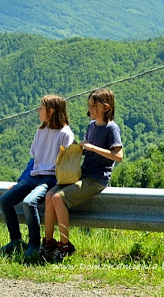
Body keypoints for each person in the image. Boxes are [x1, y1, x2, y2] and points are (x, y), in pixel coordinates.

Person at [42, 88, 123, 262]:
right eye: (90, 105)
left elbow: (118, 156)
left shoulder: (112, 128)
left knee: (57, 198)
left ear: (106, 108)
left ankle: (65, 245)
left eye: (94, 106)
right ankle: (48, 242)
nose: (90, 109)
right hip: (82, 174)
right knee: (49, 196)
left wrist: (92, 147)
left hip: (96, 178)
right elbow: (88, 151)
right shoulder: (91, 126)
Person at [0, 94, 74, 262]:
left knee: (29, 202)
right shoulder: (41, 131)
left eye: (41, 108)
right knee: (4, 200)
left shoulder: (65, 133)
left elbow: (66, 163)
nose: (38, 111)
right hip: (34, 175)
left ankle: (34, 244)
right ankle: (16, 240)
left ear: (51, 111)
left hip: (50, 179)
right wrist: (20, 182)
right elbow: (34, 159)